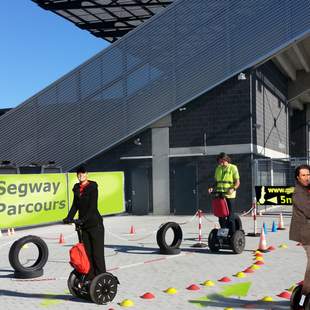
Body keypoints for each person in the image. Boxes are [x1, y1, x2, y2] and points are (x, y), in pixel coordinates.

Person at [63, 165, 106, 282]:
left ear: (87, 174)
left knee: (97, 255)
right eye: (79, 174)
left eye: (83, 173)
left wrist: (83, 219)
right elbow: (75, 205)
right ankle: (91, 277)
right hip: (84, 226)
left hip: (95, 225)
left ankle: (101, 277)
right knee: (88, 254)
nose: (80, 175)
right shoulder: (76, 188)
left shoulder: (92, 187)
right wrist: (69, 217)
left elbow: (93, 207)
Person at [289, 164, 310, 307]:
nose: (307, 177)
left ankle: (302, 298)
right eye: (303, 175)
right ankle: (303, 298)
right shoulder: (298, 193)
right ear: (298, 177)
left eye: (308, 174)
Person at [208, 152, 240, 233]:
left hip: (230, 196)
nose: (221, 163)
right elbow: (216, 182)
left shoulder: (233, 168)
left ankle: (232, 234)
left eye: (222, 161)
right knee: (221, 216)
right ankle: (224, 233)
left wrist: (233, 188)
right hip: (220, 195)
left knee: (230, 217)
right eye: (219, 162)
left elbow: (237, 182)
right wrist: (211, 187)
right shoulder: (218, 168)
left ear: (226, 160)